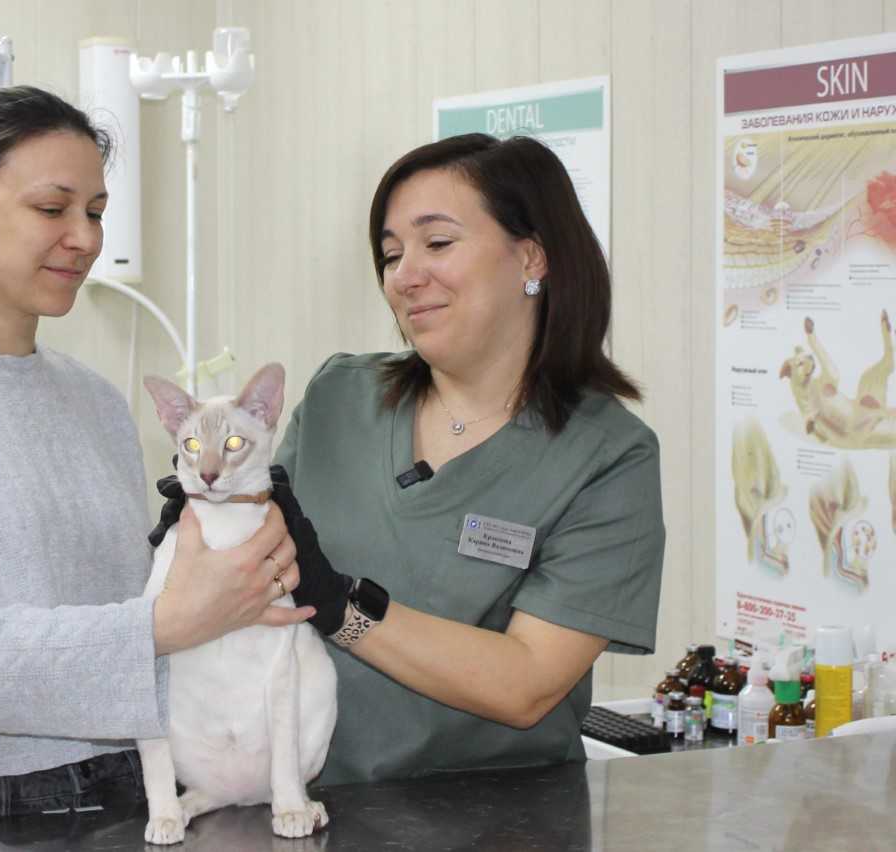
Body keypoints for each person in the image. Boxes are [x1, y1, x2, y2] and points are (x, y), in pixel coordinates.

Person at [0, 85, 310, 851]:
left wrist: (237, 593)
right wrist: (170, 622)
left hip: (120, 787)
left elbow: (135, 609)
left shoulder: (96, 401)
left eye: (96, 212)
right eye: (52, 208)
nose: (84, 238)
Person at [162, 132, 665, 785]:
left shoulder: (607, 457)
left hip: (495, 817)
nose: (404, 276)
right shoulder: (341, 394)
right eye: (391, 254)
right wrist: (206, 526)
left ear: (531, 257)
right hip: (292, 796)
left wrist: (341, 607)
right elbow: (259, 567)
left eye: (438, 243)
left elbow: (528, 683)